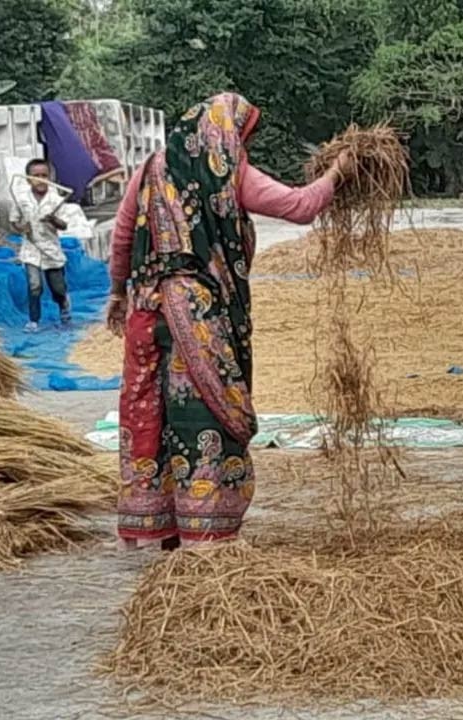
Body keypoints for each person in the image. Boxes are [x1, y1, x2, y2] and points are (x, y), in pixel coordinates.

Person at [106, 92, 354, 550]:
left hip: (146, 307)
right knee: (206, 409)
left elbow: (122, 237)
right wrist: (338, 172)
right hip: (197, 312)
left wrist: (118, 293)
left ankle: (158, 523)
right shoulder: (227, 172)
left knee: (149, 408)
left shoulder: (148, 170)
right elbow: (299, 206)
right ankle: (205, 525)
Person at [10, 159, 71, 332]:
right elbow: (13, 222)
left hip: (51, 250)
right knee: (34, 286)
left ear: (50, 177)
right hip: (31, 248)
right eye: (36, 176)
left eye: (44, 175)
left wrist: (52, 219)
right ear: (28, 179)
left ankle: (64, 306)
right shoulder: (21, 199)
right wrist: (22, 228)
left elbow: (64, 225)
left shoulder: (56, 199)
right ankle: (33, 320)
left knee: (58, 288)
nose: (41, 179)